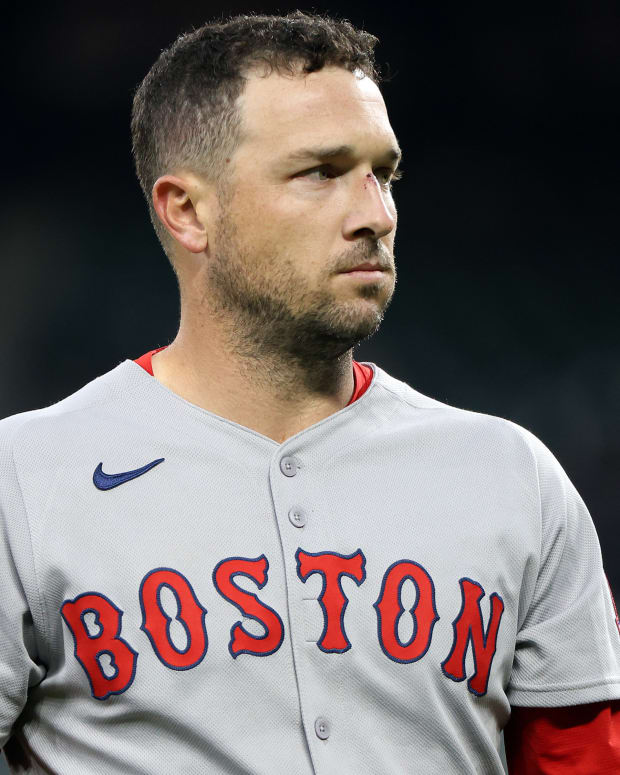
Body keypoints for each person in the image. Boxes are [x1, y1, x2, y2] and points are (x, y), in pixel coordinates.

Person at [1, 10, 618, 774]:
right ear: (188, 211)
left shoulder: (515, 477)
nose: (375, 215)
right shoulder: (26, 476)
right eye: (321, 172)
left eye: (384, 174)